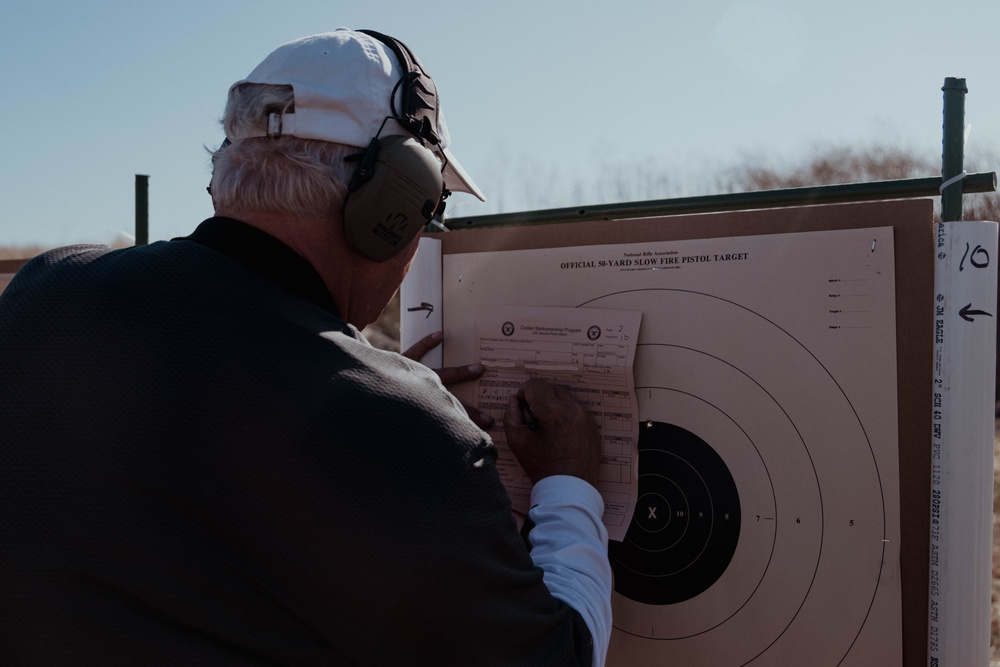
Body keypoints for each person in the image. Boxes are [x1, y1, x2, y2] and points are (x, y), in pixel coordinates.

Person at [0, 28, 612, 666]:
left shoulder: (45, 293)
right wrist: (569, 484)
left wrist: (367, 389)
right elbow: (561, 654)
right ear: (391, 208)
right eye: (427, 214)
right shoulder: (409, 439)